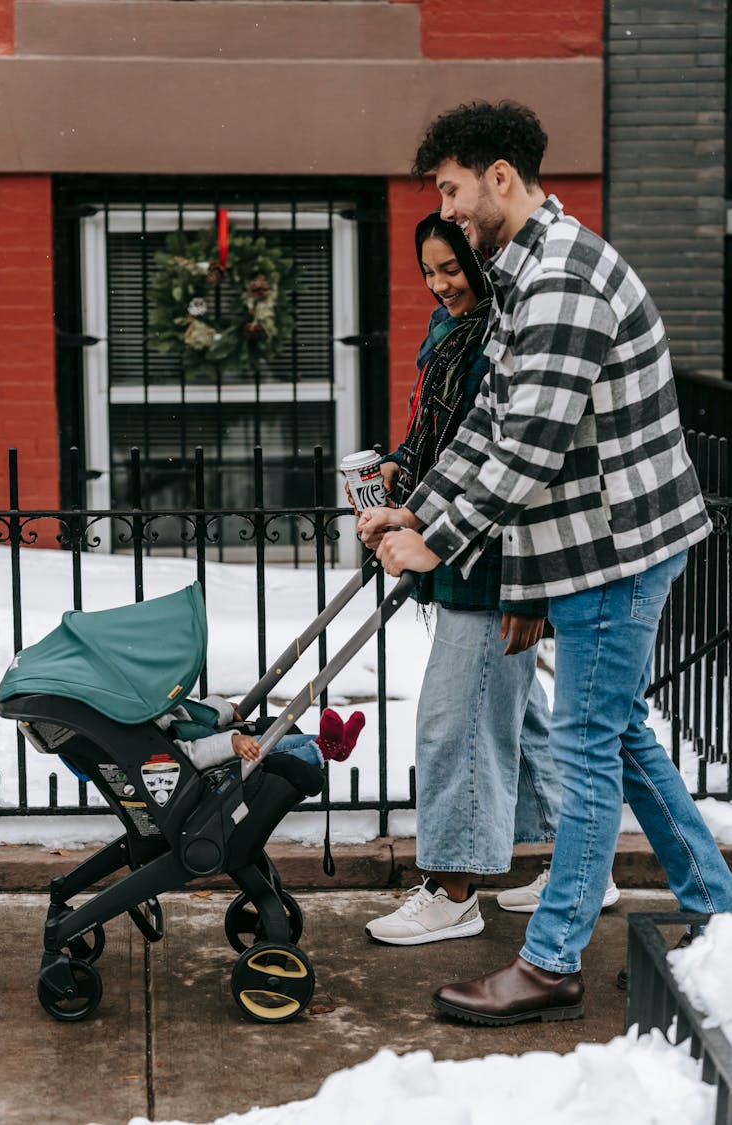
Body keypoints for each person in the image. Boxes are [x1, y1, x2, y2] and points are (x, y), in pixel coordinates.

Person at [359, 99, 732, 1024]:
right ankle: (720, 906)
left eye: (451, 192)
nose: (444, 213)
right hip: (597, 541)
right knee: (622, 734)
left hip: (613, 548)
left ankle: (552, 958)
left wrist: (434, 541)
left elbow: (527, 447)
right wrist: (420, 504)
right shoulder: (524, 270)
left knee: (586, 745)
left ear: (499, 178)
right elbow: (488, 421)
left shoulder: (562, 280)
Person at [364, 212, 570, 948]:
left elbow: (510, 467)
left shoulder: (503, 337)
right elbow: (438, 432)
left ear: (483, 268)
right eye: (429, 270)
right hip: (450, 534)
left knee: (457, 720)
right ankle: (580, 864)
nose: (440, 283)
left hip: (486, 554)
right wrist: (400, 471)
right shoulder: (450, 331)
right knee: (518, 715)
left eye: (452, 268)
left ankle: (454, 888)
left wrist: (525, 582)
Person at [159, 696, 365, 771]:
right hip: (208, 767)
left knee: (265, 741)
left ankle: (336, 746)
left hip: (215, 745)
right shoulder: (141, 731)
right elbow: (184, 756)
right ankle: (322, 750)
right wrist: (230, 743)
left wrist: (222, 708)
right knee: (266, 760)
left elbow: (187, 713)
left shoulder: (148, 708)